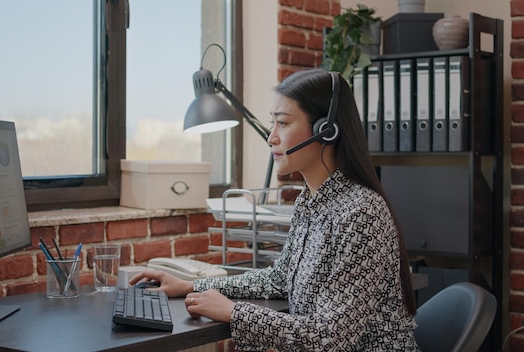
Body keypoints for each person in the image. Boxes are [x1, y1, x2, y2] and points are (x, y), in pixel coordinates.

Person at [130, 68, 419, 351]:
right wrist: (192, 285)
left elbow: (330, 338)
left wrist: (234, 312)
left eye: (283, 123)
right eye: (273, 123)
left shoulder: (361, 213)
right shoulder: (310, 202)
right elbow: (278, 279)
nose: (271, 137)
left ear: (325, 130)